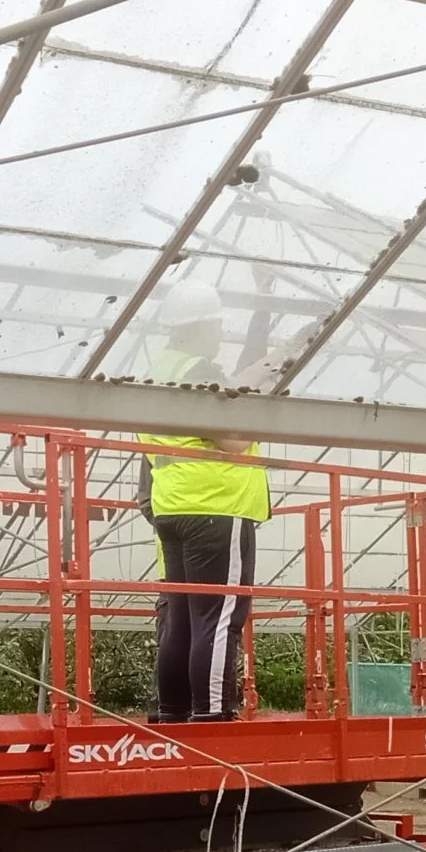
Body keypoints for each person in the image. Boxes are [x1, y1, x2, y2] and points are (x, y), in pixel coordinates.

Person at [141, 282, 268, 723]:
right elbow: (235, 439)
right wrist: (257, 408)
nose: (219, 335)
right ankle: (213, 714)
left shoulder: (155, 371)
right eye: (216, 326)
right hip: (217, 504)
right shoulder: (200, 369)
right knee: (217, 618)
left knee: (183, 618)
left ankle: (174, 710)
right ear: (197, 329)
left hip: (173, 508)